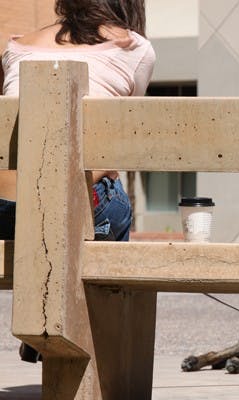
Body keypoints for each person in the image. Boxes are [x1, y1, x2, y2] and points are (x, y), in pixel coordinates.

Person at [1, 0, 155, 362]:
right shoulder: (134, 49)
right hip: (77, 214)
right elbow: (122, 141)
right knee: (112, 202)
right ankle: (86, 341)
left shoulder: (16, 45)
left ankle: (47, 317)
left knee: (52, 208)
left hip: (7, 213)